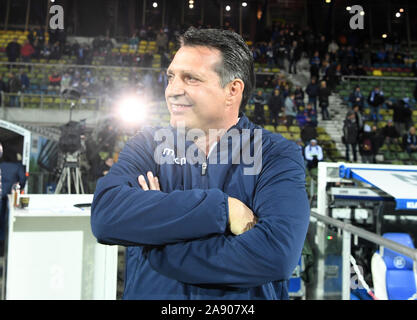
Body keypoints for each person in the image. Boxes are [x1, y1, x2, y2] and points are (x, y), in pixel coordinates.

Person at [91, 27, 310, 300]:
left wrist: (158, 244)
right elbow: (106, 216)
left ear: (232, 90)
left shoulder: (275, 154)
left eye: (191, 79)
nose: (173, 91)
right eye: (171, 77)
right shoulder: (147, 145)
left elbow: (276, 254)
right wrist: (222, 209)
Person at [0, 144, 27, 255]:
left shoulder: (1, 165)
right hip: (10, 197)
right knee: (7, 221)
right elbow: (23, 180)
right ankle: (5, 248)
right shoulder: (17, 166)